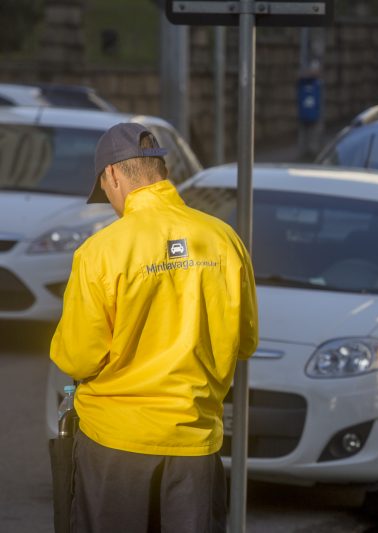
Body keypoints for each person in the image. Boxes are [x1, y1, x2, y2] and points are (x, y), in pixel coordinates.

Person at [50, 122, 258, 532]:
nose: (110, 202)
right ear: (159, 169)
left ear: (112, 175)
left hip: (114, 447)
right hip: (195, 445)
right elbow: (246, 340)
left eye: (105, 192)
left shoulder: (101, 251)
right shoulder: (224, 240)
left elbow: (76, 355)